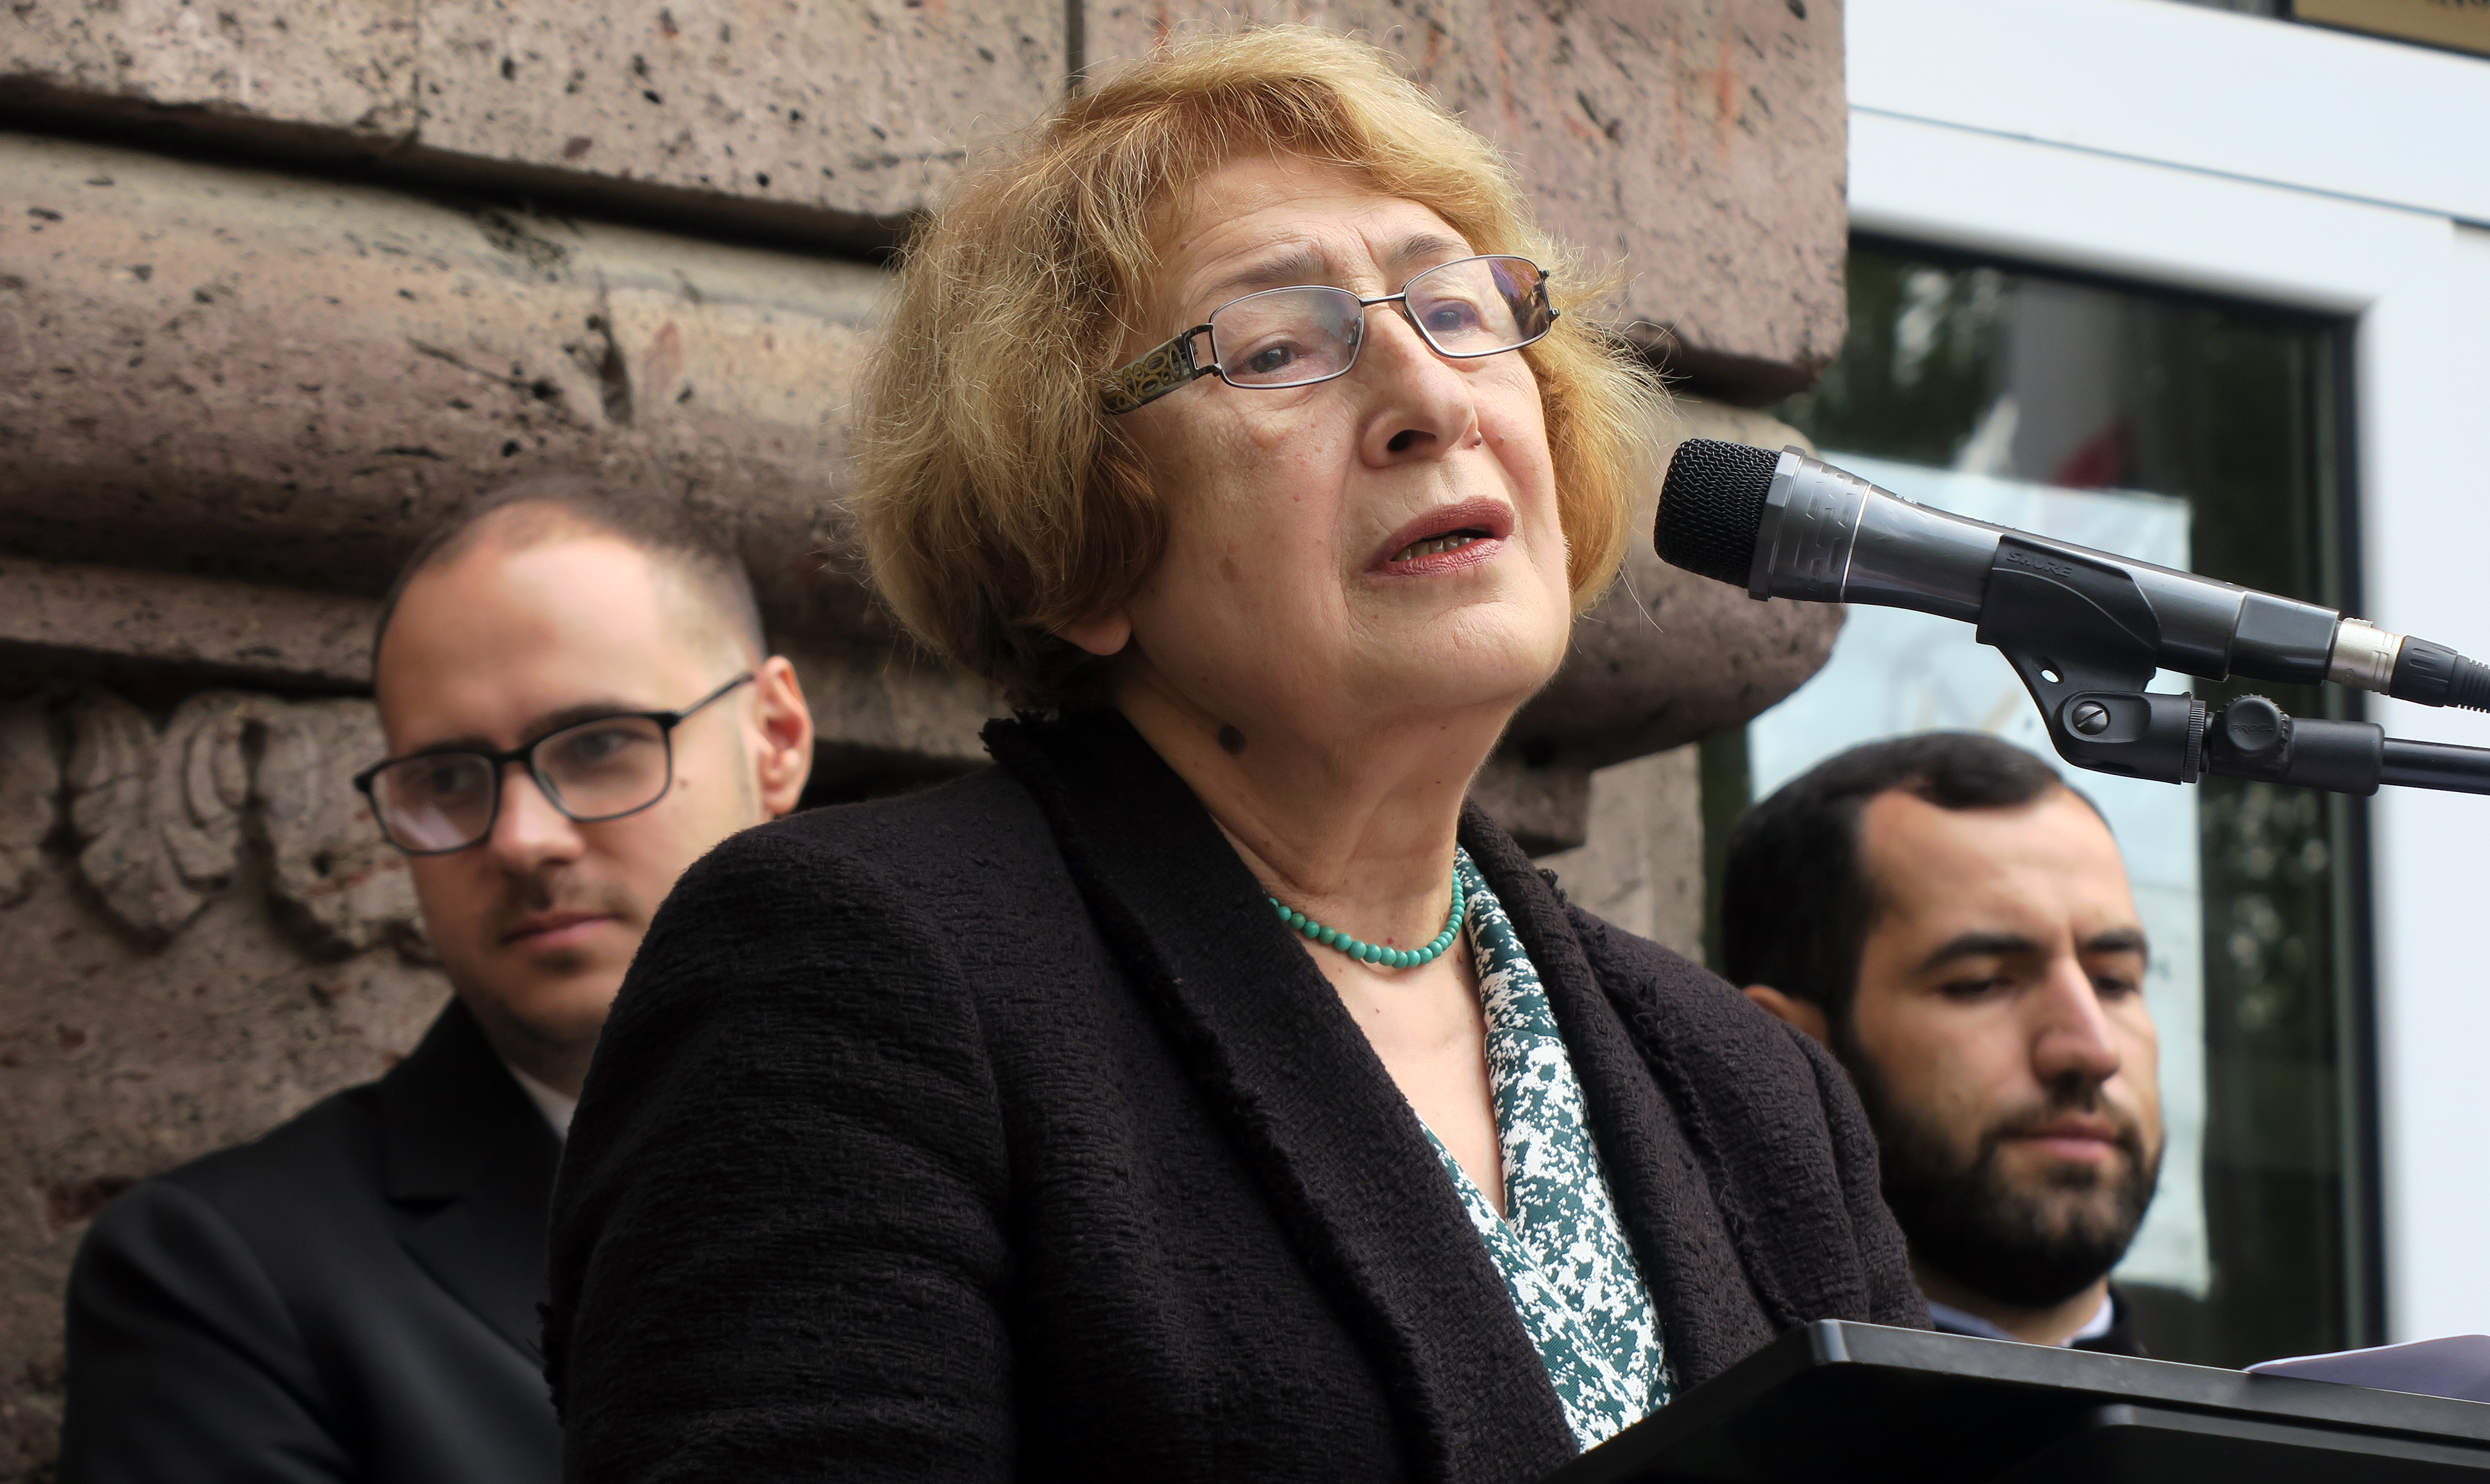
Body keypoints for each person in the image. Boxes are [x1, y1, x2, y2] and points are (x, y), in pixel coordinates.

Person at [543, 27, 1925, 1484]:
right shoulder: (846, 971)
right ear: (1075, 532)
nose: (1432, 399)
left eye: (1460, 309)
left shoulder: (1748, 1087)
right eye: (1277, 349)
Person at [59, 481, 815, 1483]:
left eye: (599, 744)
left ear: (774, 738)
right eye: (448, 778)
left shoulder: (993, 1151)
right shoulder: (221, 1277)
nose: (522, 839)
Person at [1721, 731, 2163, 1356]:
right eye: (1982, 983)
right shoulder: (1651, 1413)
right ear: (1782, 1057)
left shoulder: (2290, 1420)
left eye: (2114, 982)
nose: (2092, 1052)